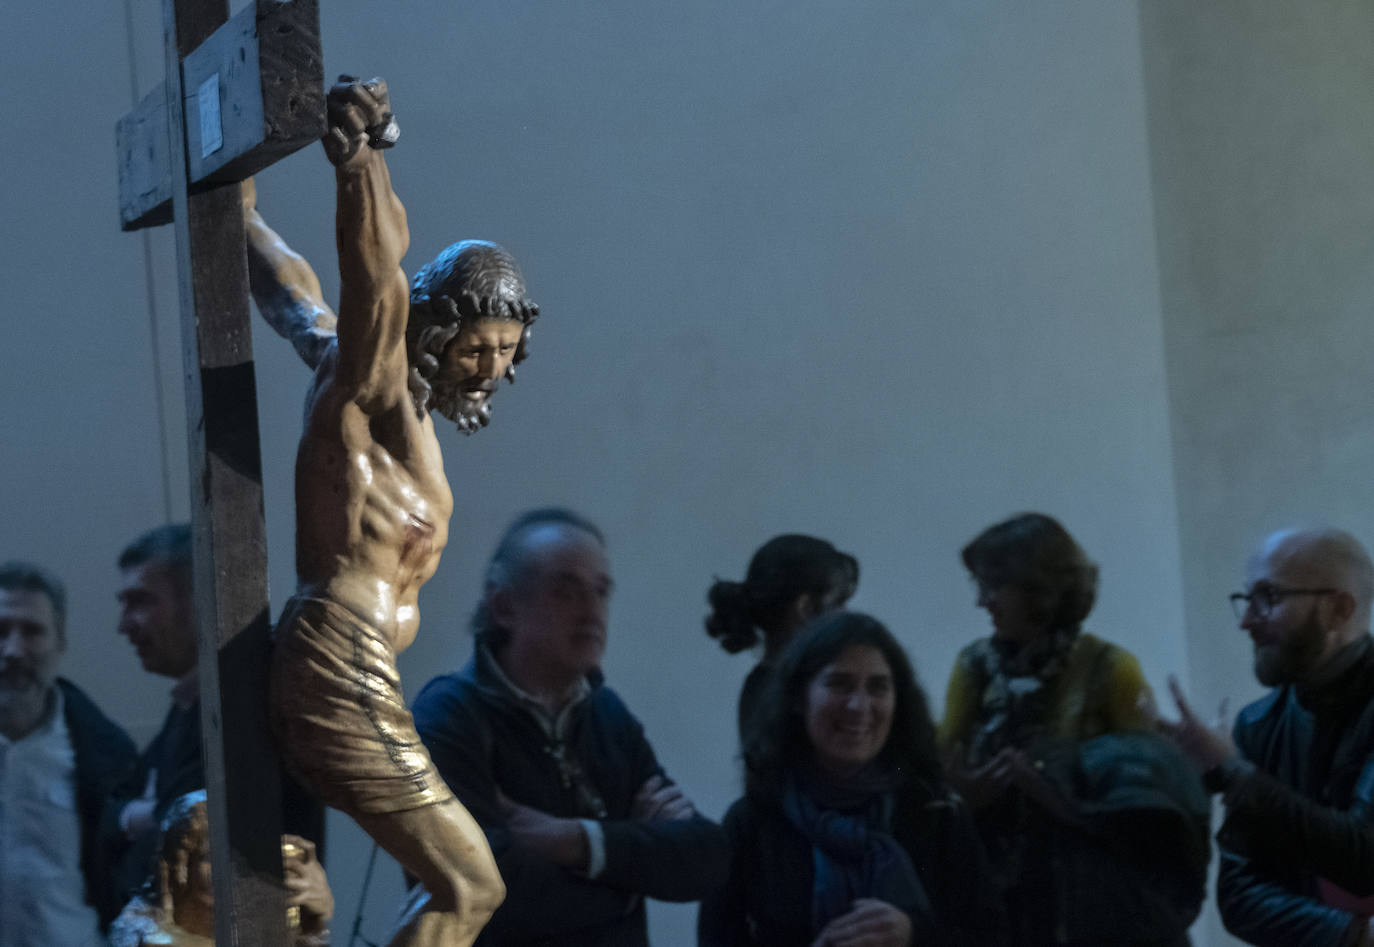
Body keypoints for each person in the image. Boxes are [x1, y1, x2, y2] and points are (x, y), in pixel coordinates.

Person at [253, 76, 538, 946]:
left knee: (451, 883)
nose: (489, 371)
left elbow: (298, 295)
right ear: (434, 328)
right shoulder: (372, 391)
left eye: (506, 352)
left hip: (349, 663)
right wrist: (360, 161)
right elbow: (375, 279)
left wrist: (237, 211)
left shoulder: (384, 401)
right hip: (336, 660)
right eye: (477, 348)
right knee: (468, 884)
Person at [413, 507, 730, 945]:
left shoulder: (605, 713)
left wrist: (580, 842)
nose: (592, 612)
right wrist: (631, 883)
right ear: (504, 606)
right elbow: (480, 891)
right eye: (567, 591)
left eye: (601, 592)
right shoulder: (448, 718)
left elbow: (705, 858)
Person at [940, 512, 1208, 946]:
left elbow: (1147, 819)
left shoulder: (1111, 670)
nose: (981, 602)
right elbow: (934, 774)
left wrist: (1051, 796)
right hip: (996, 907)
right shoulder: (973, 667)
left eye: (992, 586)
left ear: (1037, 588)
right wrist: (963, 795)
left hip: (1095, 912)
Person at [698, 610, 1003, 946]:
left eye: (878, 687)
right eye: (839, 684)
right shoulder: (752, 823)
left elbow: (992, 937)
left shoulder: (935, 811)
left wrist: (914, 935)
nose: (859, 706)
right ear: (799, 698)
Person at [1161, 527, 1374, 946]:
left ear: (1339, 609)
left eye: (1268, 598)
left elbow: (1364, 857)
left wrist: (1235, 774)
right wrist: (1356, 937)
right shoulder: (1257, 725)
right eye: (1246, 598)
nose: (1246, 621)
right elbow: (1239, 896)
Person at [0, 560, 138, 942]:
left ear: (59, 642)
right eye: (1, 630)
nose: (13, 650)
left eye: (32, 631)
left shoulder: (109, 757)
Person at [107, 524, 207, 903]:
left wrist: (141, 817)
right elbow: (110, 820)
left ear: (200, 599)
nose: (122, 625)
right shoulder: (187, 706)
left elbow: (163, 856)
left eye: (140, 601)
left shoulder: (241, 713)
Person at [108, 790, 333, 947]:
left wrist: (313, 919)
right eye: (211, 859)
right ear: (182, 862)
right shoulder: (141, 927)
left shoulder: (259, 916)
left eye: (240, 860)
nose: (229, 874)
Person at [705, 534, 859, 741]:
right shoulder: (791, 696)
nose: (845, 614)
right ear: (806, 609)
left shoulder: (767, 686)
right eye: (838, 602)